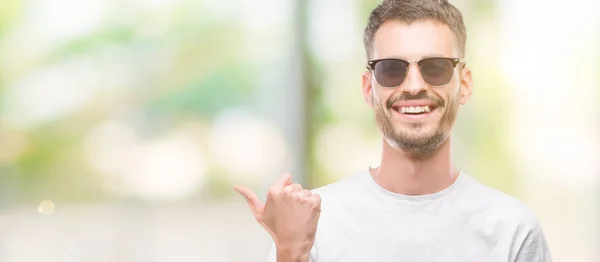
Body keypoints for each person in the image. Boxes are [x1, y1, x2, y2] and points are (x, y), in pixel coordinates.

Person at [234, 0, 553, 261]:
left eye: (436, 67)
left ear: (465, 84)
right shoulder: (311, 224)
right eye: (391, 69)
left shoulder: (512, 229)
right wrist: (290, 251)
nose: (414, 86)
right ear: (368, 88)